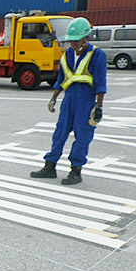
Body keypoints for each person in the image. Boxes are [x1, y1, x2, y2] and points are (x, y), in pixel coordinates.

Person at [30, 17, 106, 185]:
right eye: (71, 41)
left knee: (82, 136)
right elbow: (61, 80)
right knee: (59, 133)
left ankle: (76, 171)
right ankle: (50, 166)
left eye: (76, 41)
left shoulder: (97, 55)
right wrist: (53, 99)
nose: (73, 44)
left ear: (86, 37)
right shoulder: (67, 55)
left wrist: (98, 106)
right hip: (69, 99)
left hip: (86, 101)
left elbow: (101, 83)